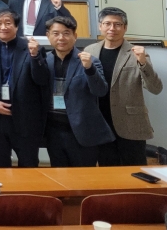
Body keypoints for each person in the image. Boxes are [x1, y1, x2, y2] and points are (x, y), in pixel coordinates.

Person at [87, 7, 163, 166]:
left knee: (135, 170)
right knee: (108, 170)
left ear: (125, 27)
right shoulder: (90, 51)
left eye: (117, 24)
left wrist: (143, 63)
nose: (112, 28)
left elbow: (155, 88)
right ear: (100, 26)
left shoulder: (137, 53)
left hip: (130, 124)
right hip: (101, 123)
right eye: (107, 23)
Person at [0, 9, 50, 168]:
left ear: (17, 26)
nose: (3, 27)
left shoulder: (32, 48)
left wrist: (35, 56)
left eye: (8, 23)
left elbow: (41, 79)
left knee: (28, 165)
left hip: (25, 118)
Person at [41, 17, 113, 167]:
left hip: (82, 132)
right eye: (56, 33)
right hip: (53, 131)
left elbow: (100, 91)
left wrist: (89, 68)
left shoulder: (89, 61)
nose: (61, 38)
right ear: (48, 36)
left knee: (83, 176)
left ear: (75, 36)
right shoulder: (44, 61)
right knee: (58, 175)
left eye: (66, 33)